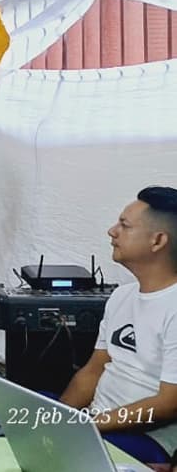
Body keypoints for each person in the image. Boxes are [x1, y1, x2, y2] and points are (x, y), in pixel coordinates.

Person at [60, 186, 177, 468]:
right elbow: (93, 370)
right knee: (19, 415)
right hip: (100, 420)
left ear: (158, 240)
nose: (112, 232)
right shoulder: (121, 296)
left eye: (124, 225)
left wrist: (89, 425)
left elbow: (170, 402)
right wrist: (58, 419)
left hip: (146, 437)